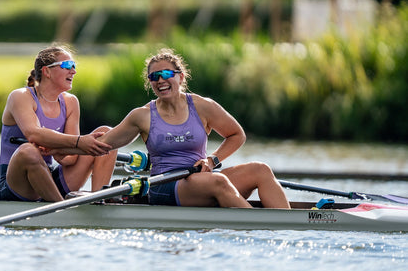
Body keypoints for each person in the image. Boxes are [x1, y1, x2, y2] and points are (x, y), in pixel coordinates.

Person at [50, 48, 290, 208]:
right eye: (154, 77)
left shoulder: (203, 106)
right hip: (166, 186)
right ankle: (260, 229)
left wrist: (213, 160)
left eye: (166, 74)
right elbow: (101, 145)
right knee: (220, 183)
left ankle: (288, 227)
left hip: (201, 177)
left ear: (181, 76)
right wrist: (59, 147)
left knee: (260, 169)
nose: (160, 81)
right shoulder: (142, 116)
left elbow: (237, 135)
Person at [0, 45, 117, 202]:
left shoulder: (70, 102)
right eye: (67, 66)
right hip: (15, 183)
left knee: (106, 135)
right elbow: (33, 134)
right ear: (47, 72)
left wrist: (56, 150)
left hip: (48, 176)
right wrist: (80, 142)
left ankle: (99, 201)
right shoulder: (21, 97)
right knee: (28, 150)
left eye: (74, 66)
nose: (73, 71)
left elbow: (71, 158)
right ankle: (61, 209)